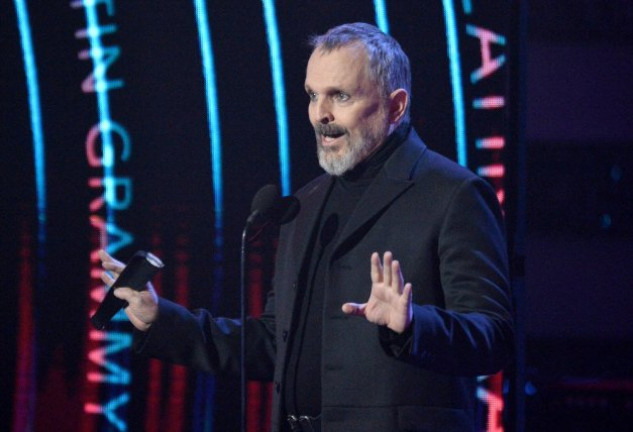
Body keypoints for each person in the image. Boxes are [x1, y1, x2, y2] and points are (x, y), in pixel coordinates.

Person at [100, 22, 514, 432]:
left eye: (341, 96)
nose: (321, 114)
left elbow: (494, 336)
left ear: (396, 106)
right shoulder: (307, 204)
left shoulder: (453, 194)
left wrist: (413, 325)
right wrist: (161, 320)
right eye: (313, 95)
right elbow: (272, 344)